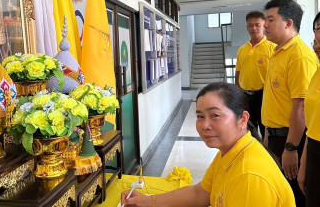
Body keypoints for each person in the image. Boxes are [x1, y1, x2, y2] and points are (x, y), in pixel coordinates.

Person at [121, 82, 295, 207]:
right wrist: (148, 201)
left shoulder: (249, 177)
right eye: (200, 116)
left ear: (243, 119)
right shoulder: (229, 152)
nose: (205, 125)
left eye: (215, 116)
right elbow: (200, 194)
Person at [261, 0, 318, 207]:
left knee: (295, 196)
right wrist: (267, 134)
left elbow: (301, 108)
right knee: (282, 193)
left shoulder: (299, 56)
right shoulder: (278, 52)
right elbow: (276, 100)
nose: (265, 25)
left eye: (270, 19)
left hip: (292, 139)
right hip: (277, 136)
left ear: (288, 23)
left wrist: (292, 148)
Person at [235, 11, 275, 138]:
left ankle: (266, 155)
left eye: (257, 25)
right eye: (250, 25)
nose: (254, 28)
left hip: (264, 95)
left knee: (266, 130)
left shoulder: (272, 47)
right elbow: (238, 72)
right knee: (248, 131)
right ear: (247, 28)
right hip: (245, 96)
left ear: (264, 26)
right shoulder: (242, 49)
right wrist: (238, 93)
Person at [298, 12, 320, 207]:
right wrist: (304, 165)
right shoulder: (317, 72)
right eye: (317, 28)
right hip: (314, 149)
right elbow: (312, 124)